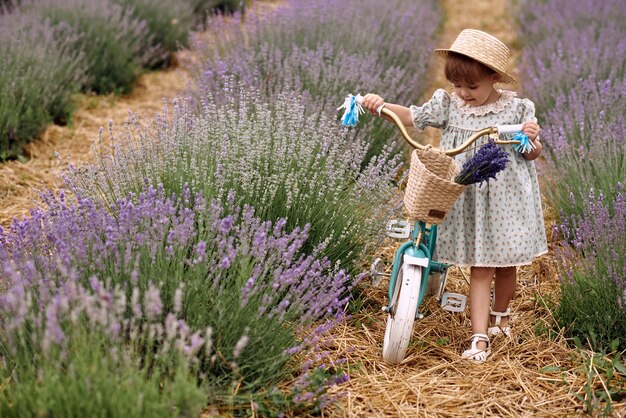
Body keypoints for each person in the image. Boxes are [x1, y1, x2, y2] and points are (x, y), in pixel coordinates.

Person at [361, 29, 548, 362]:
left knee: (505, 266)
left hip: (506, 201)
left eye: (472, 86)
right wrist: (380, 106)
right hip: (468, 197)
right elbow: (414, 117)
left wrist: (531, 137)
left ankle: (501, 315)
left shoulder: (517, 110)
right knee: (480, 267)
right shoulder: (449, 104)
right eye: (458, 85)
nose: (463, 93)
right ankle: (479, 337)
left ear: (494, 78)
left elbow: (532, 154)